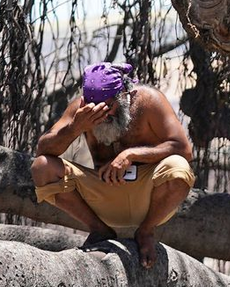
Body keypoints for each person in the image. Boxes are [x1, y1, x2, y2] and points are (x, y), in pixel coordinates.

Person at [32, 62, 195, 269]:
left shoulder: (149, 101)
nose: (103, 115)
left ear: (124, 94)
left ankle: (146, 231)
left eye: (108, 106)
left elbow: (184, 150)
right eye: (95, 109)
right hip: (103, 196)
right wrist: (75, 127)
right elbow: (43, 149)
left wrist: (131, 154)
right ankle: (99, 229)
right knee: (42, 167)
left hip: (149, 198)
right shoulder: (81, 111)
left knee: (178, 167)